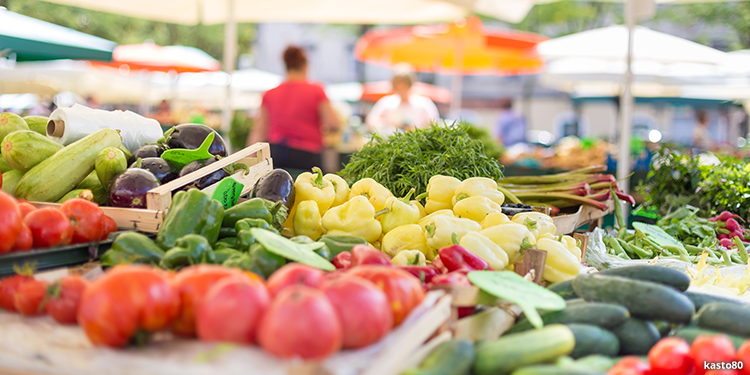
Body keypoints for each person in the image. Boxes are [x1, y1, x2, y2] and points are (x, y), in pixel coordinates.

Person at [248, 46, 339, 170]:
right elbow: (333, 123)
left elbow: (259, 131)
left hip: (277, 153)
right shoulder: (316, 91)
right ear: (305, 66)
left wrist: (250, 160)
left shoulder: (270, 94)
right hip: (307, 154)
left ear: (285, 66)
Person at [365, 64, 439, 135]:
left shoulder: (424, 104)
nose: (401, 88)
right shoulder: (386, 103)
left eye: (404, 85)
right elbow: (371, 121)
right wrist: (388, 123)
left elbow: (434, 125)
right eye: (398, 86)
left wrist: (416, 129)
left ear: (410, 84)